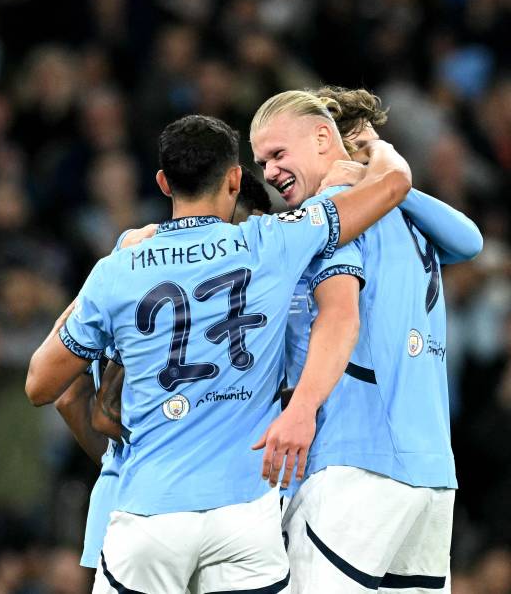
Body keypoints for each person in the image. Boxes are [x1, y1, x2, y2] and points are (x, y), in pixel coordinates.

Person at [26, 113, 412, 592]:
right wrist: (375, 150)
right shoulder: (271, 241)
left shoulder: (118, 269)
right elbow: (394, 185)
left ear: (164, 183)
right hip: (244, 518)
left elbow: (41, 384)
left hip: (151, 513)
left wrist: (105, 275)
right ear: (235, 178)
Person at [250, 89, 482, 592]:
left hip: (358, 463)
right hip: (432, 474)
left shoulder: (334, 213)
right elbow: (471, 240)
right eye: (261, 162)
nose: (267, 172)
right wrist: (384, 169)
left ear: (321, 139)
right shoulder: (410, 217)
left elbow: (340, 318)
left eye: (276, 155)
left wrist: (301, 410)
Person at [52, 169, 275, 571]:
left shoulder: (127, 277)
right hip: (211, 510)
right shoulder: (237, 313)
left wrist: (126, 460)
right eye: (249, 228)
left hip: (126, 507)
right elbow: (102, 413)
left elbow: (69, 398)